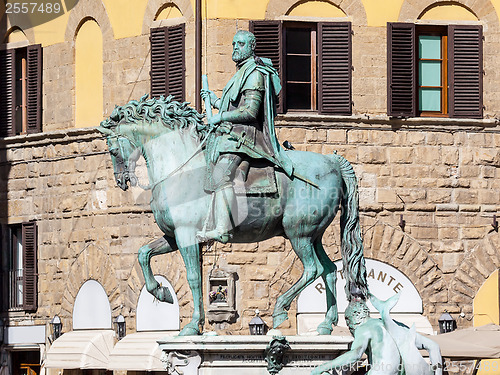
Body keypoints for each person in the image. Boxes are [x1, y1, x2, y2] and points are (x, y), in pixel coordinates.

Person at [197, 30, 293, 243]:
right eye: (233, 44)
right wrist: (215, 101)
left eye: (240, 44)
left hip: (246, 139)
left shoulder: (254, 73)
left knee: (222, 174)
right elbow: (234, 104)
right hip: (231, 135)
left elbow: (250, 112)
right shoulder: (241, 73)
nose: (235, 48)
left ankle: (222, 228)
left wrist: (219, 116)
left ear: (251, 47)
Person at [311, 295, 443, 375]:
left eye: (348, 321)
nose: (350, 327)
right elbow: (434, 346)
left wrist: (323, 367)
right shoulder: (397, 326)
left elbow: (354, 355)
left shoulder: (364, 328)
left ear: (357, 315)